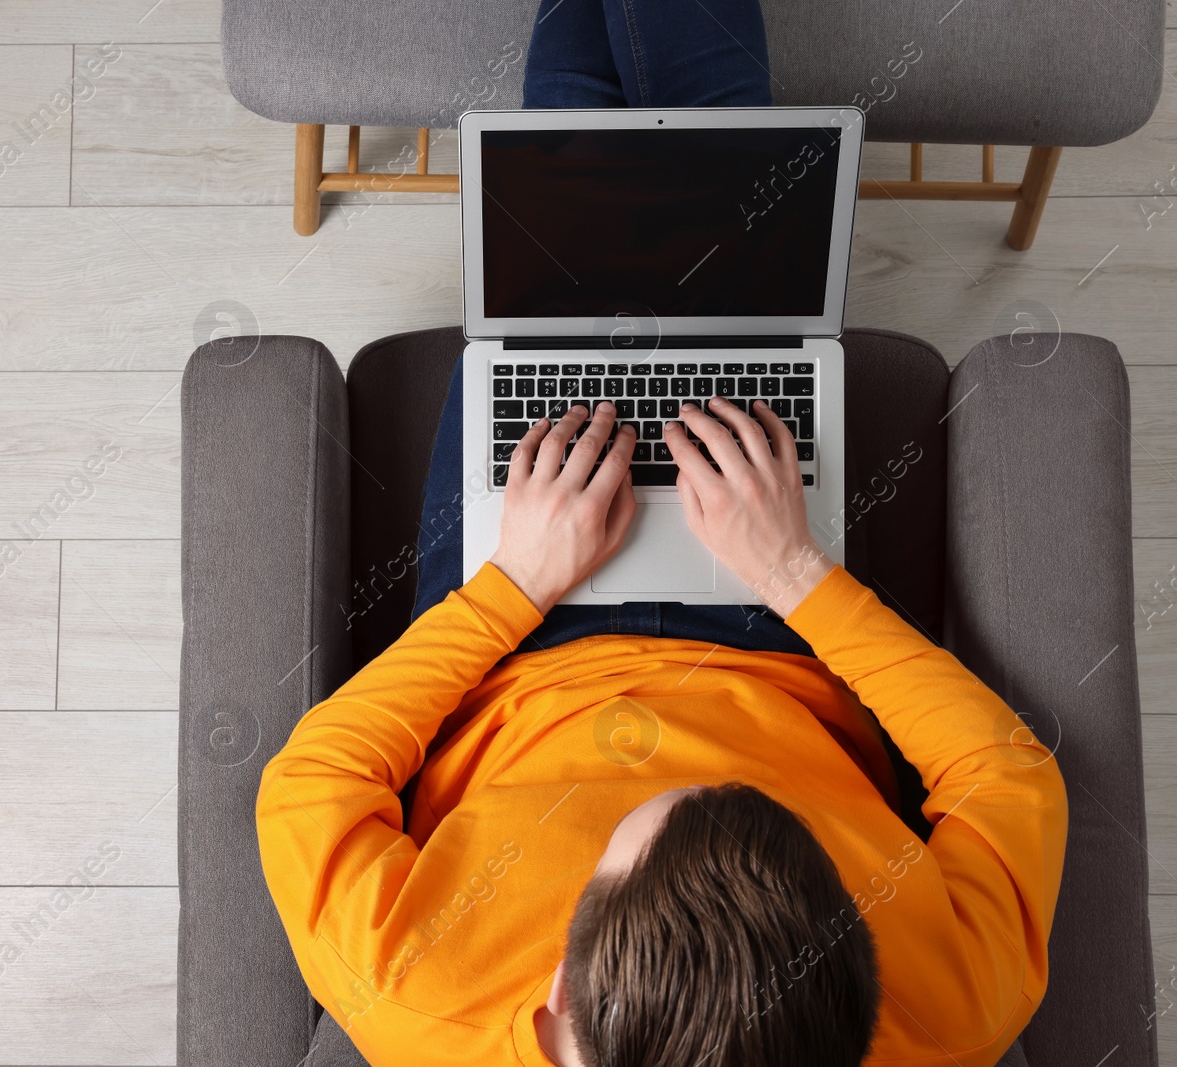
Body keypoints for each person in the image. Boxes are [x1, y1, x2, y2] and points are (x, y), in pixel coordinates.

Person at [256, 2, 1068, 1065]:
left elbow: (313, 782)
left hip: (513, 644)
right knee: (736, 254)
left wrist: (513, 583)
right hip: (780, 629)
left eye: (617, 837)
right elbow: (1007, 778)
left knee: (559, 280)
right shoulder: (948, 1009)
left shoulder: (419, 994)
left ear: (556, 1012)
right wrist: (794, 570)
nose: (658, 752)